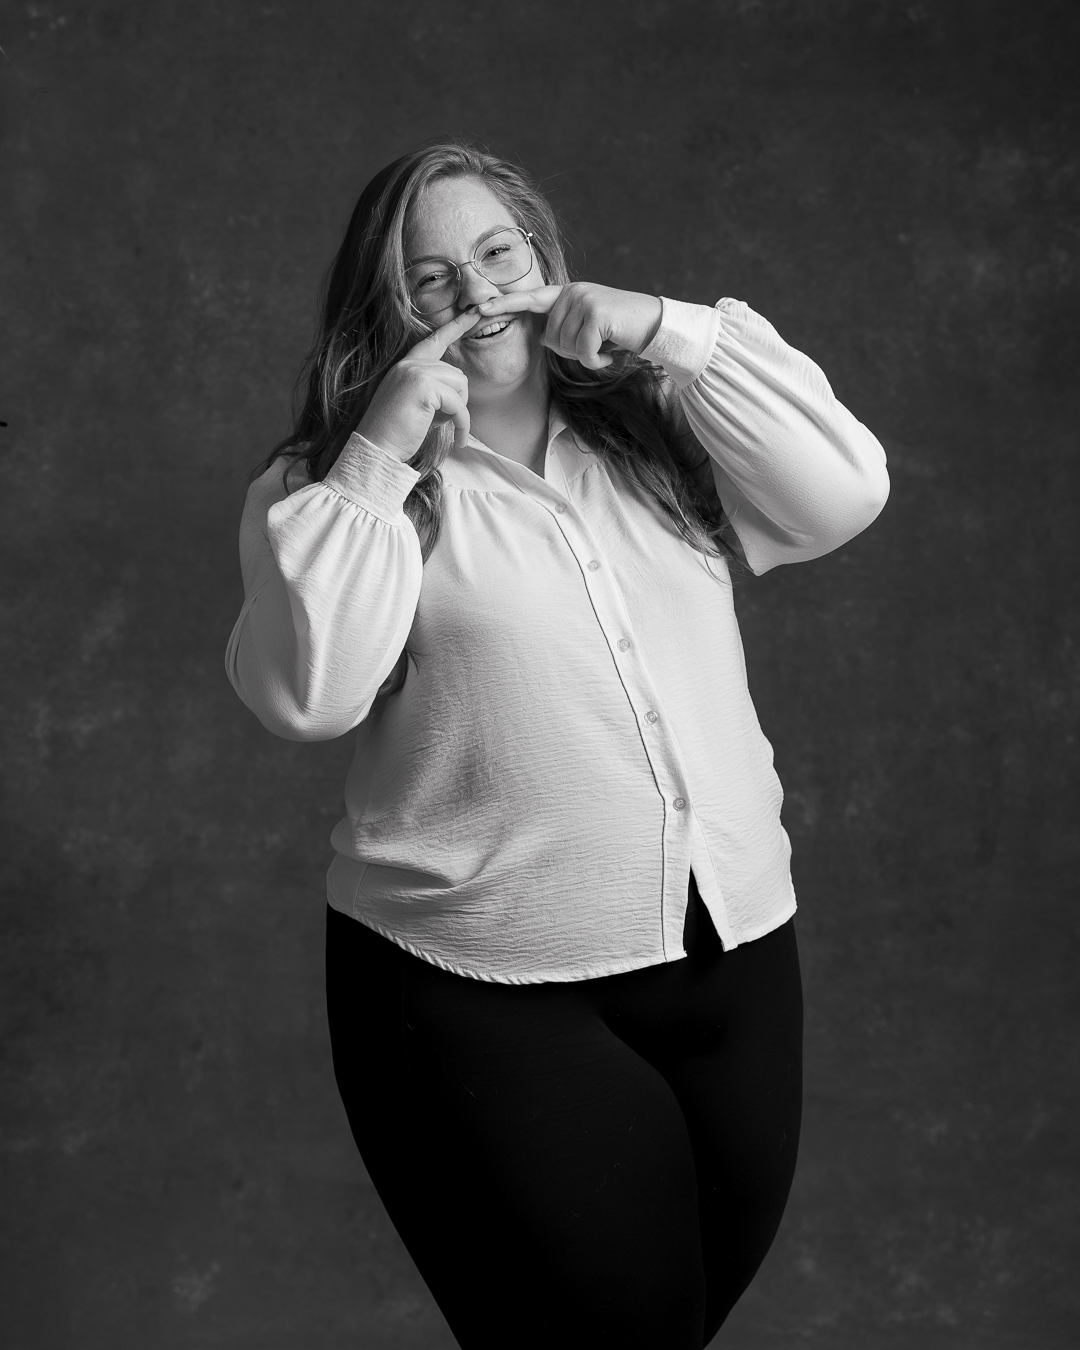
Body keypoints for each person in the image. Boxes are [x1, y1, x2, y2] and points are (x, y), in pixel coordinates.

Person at [225, 138, 889, 1349]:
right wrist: (378, 458)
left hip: (737, 962)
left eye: (498, 253)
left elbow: (844, 493)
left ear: (544, 258)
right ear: (387, 314)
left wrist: (671, 330)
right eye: (431, 280)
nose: (478, 295)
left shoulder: (659, 423)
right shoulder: (323, 492)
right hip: (480, 997)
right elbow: (305, 697)